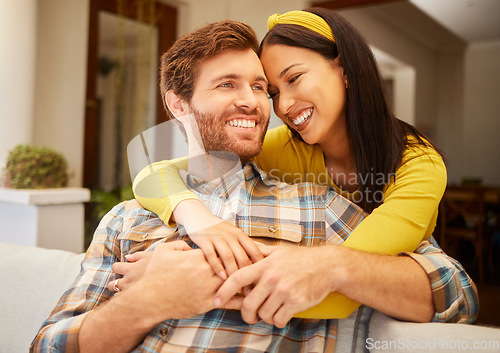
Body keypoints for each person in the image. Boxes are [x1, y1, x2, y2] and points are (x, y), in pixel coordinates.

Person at [31, 19, 476, 353]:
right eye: (231, 84)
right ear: (177, 104)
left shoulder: (331, 204)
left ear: (344, 71)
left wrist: (197, 274)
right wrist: (182, 241)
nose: (269, 103)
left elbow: (453, 289)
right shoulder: (127, 220)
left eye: (264, 87)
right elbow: (158, 172)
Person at [133, 8, 452, 320]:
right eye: (272, 92)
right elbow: (156, 173)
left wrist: (170, 284)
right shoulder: (286, 147)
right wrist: (196, 215)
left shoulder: (418, 164)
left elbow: (339, 292)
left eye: (295, 78)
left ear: (345, 70)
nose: (283, 106)